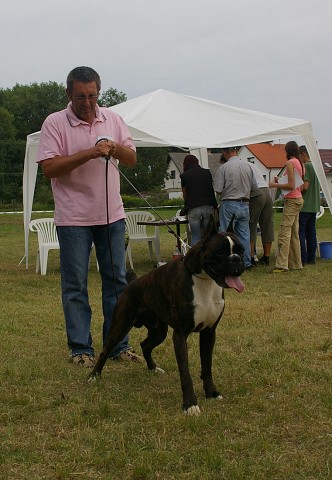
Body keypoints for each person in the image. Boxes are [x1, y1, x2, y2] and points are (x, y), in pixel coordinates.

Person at [37, 66, 143, 367]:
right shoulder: (55, 123)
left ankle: (118, 345)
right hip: (73, 218)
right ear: (69, 93)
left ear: (99, 92)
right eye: (81, 96)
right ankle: (80, 349)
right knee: (75, 286)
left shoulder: (113, 118)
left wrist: (115, 147)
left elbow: (132, 159)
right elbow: (50, 169)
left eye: (93, 95)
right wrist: (90, 152)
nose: (87, 102)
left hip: (111, 216)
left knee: (117, 283)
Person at [214, 147, 258, 269]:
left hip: (229, 203)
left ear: (225, 153)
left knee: (225, 235)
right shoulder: (248, 166)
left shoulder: (224, 168)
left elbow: (218, 189)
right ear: (236, 152)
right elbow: (254, 187)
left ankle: (225, 261)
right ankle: (247, 262)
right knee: (244, 235)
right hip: (245, 203)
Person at [269, 141, 304, 272]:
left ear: (287, 151)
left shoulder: (290, 163)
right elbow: (298, 185)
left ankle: (281, 264)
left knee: (284, 233)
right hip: (298, 199)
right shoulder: (300, 163)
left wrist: (274, 185)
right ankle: (296, 263)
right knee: (294, 233)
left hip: (292, 200)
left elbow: (290, 185)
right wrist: (281, 181)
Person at [180, 154, 218, 245]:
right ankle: (209, 256)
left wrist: (186, 208)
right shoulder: (207, 172)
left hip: (193, 208)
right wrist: (215, 205)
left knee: (196, 236)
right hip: (208, 206)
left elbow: (185, 195)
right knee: (208, 235)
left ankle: (196, 257)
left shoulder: (184, 176)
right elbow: (211, 190)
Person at [248, 163, 274, 266]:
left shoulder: (235, 167)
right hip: (266, 192)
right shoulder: (251, 164)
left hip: (256, 193)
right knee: (267, 225)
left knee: (251, 225)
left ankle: (251, 257)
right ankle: (266, 257)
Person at [298, 145, 321, 265]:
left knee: (300, 232)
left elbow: (305, 187)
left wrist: (296, 187)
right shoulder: (317, 167)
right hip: (315, 206)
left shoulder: (306, 166)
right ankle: (312, 258)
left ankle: (303, 258)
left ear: (303, 154)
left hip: (305, 205)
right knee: (311, 233)